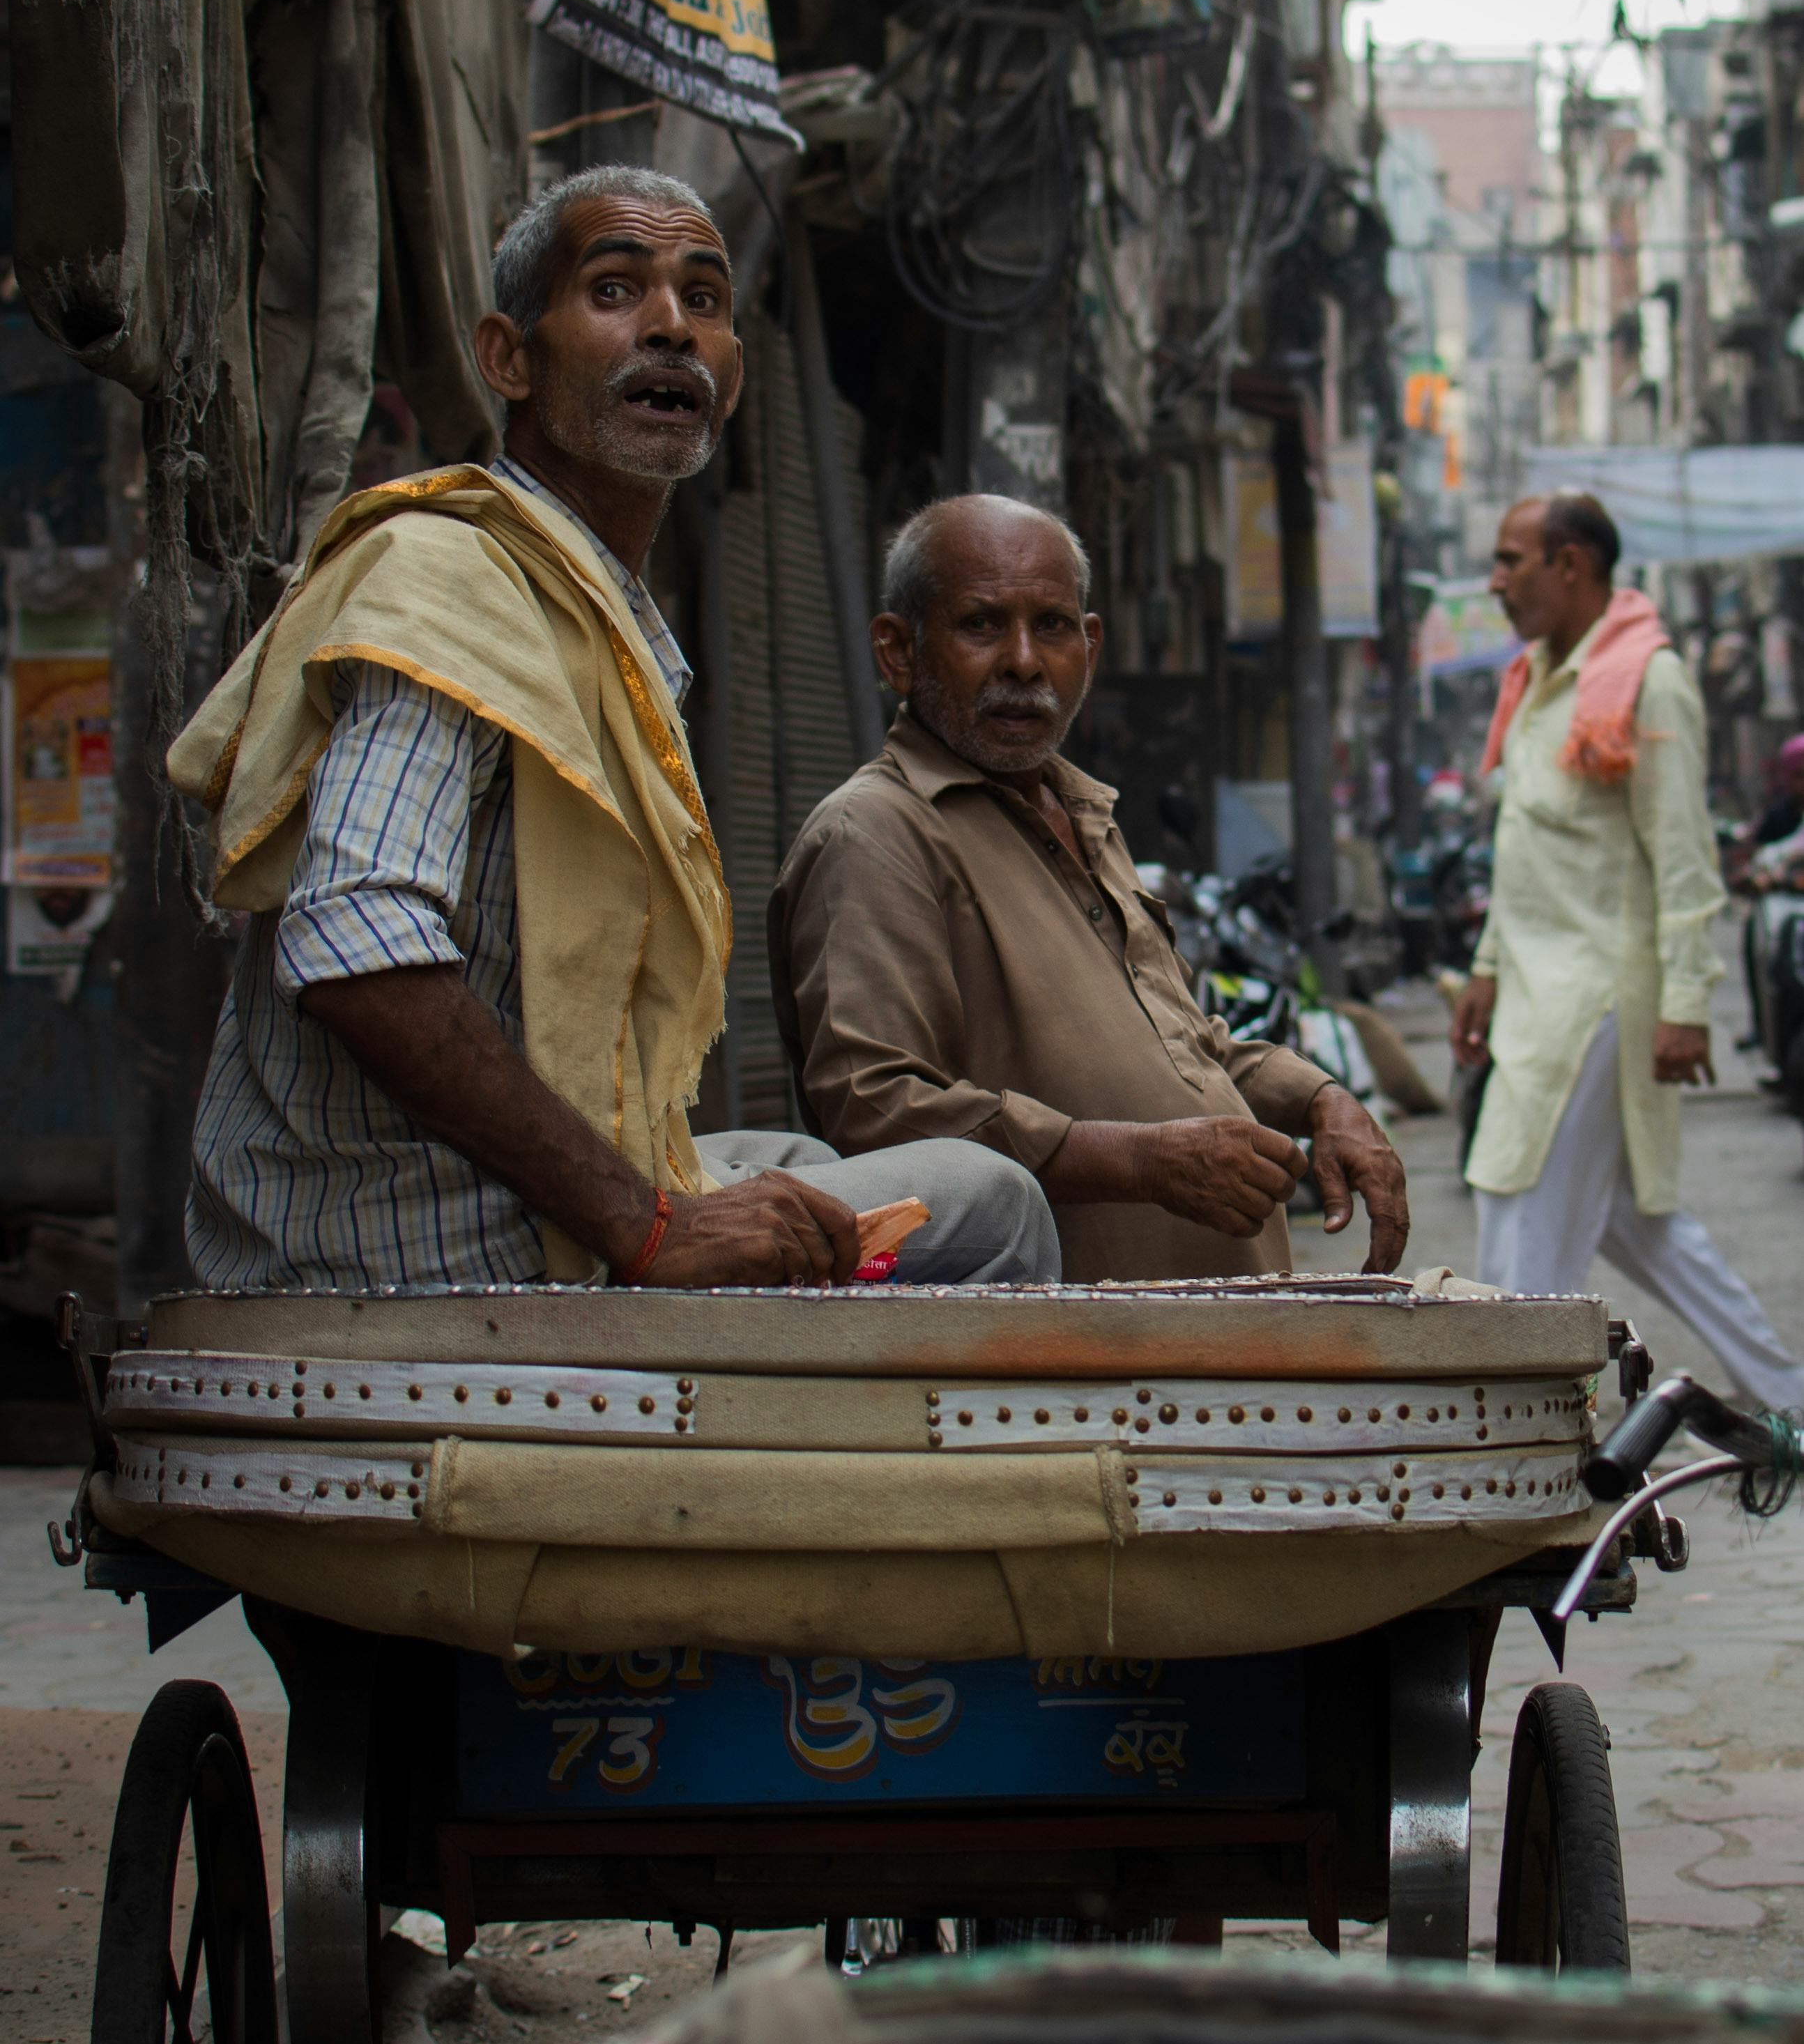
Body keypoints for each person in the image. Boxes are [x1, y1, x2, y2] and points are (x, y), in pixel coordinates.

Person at [173, 168, 1057, 1292]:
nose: (669, 329)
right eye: (613, 289)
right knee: (992, 1202)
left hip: (500, 1197)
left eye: (703, 298)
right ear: (509, 358)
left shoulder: (606, 615)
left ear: (733, 373)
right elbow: (357, 946)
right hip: (416, 1240)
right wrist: (648, 1225)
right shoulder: (452, 577)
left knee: (816, 1168)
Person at [769, 493, 1408, 1283]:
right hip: (1053, 1368)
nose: (1023, 662)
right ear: (897, 651)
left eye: (1052, 626)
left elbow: (1182, 1043)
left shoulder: (1081, 813)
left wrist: (1320, 1098)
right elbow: (877, 1111)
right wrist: (1137, 1162)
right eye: (979, 625)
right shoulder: (875, 834)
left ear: (1090, 644)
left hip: (1201, 1343)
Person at [1451, 491, 1804, 1408]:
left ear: (1571, 564)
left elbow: (1684, 860)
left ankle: (1515, 1421)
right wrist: (1486, 968)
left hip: (1598, 1000)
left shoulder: (1650, 681)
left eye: (1510, 561)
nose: (1495, 582)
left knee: (1516, 1204)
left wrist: (1687, 1004)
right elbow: (1522, 852)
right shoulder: (1531, 681)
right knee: (1638, 1221)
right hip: (1532, 992)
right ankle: (1790, 1396)